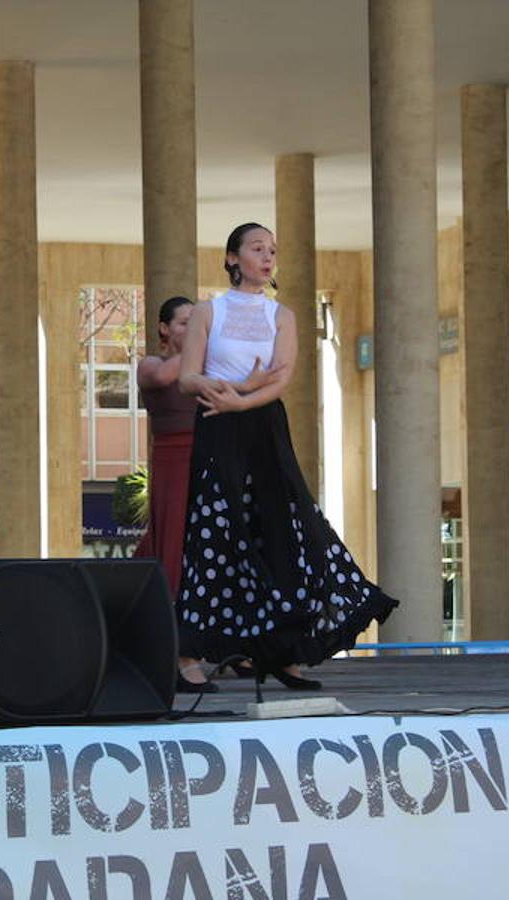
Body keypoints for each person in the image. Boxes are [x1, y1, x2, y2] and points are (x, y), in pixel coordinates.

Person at [173, 222, 396, 692]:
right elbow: (188, 378)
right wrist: (232, 393)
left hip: (264, 426)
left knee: (283, 529)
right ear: (233, 257)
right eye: (257, 248)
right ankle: (188, 653)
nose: (267, 256)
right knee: (215, 533)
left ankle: (283, 653)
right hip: (217, 425)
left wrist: (244, 398)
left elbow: (281, 379)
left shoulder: (283, 317)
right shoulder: (208, 312)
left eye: (272, 249)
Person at [134, 297, 196, 597]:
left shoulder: (205, 367)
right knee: (173, 531)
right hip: (173, 460)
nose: (194, 330)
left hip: (207, 458)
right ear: (164, 328)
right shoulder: (150, 365)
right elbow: (163, 376)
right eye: (185, 323)